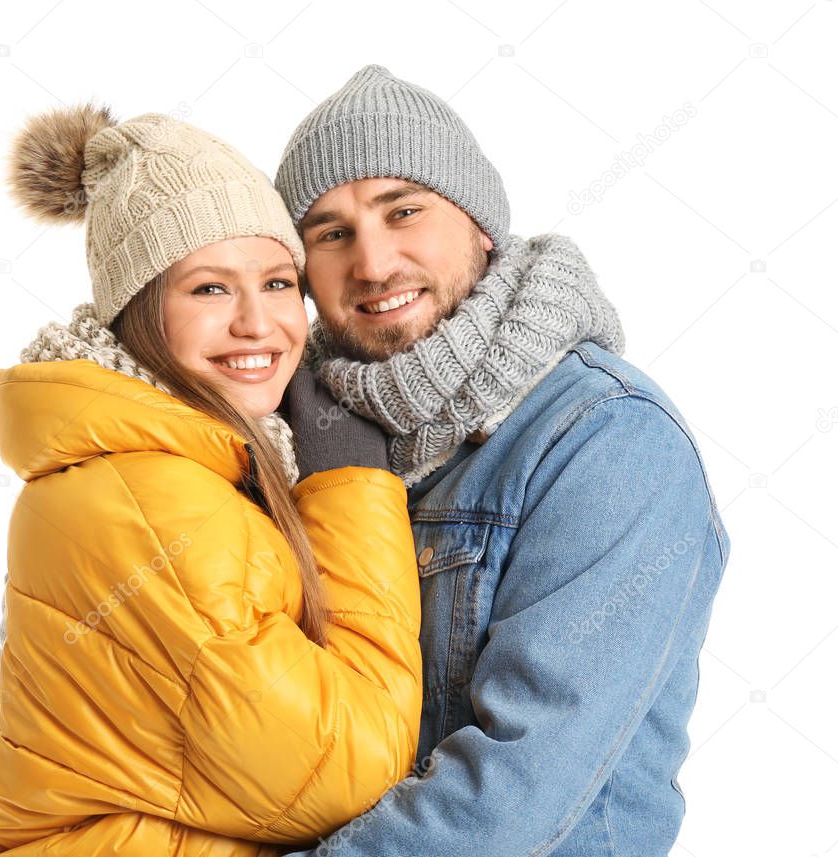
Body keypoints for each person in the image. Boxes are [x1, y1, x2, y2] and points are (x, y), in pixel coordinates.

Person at [273, 65, 731, 856]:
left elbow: (510, 798)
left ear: (481, 225)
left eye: (404, 210)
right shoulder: (301, 439)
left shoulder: (607, 438)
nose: (374, 264)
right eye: (331, 232)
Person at [0, 103, 423, 856]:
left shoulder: (179, 463)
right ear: (138, 311)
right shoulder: (151, 502)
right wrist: (352, 483)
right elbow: (348, 765)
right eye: (209, 289)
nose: (258, 324)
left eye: (276, 283)